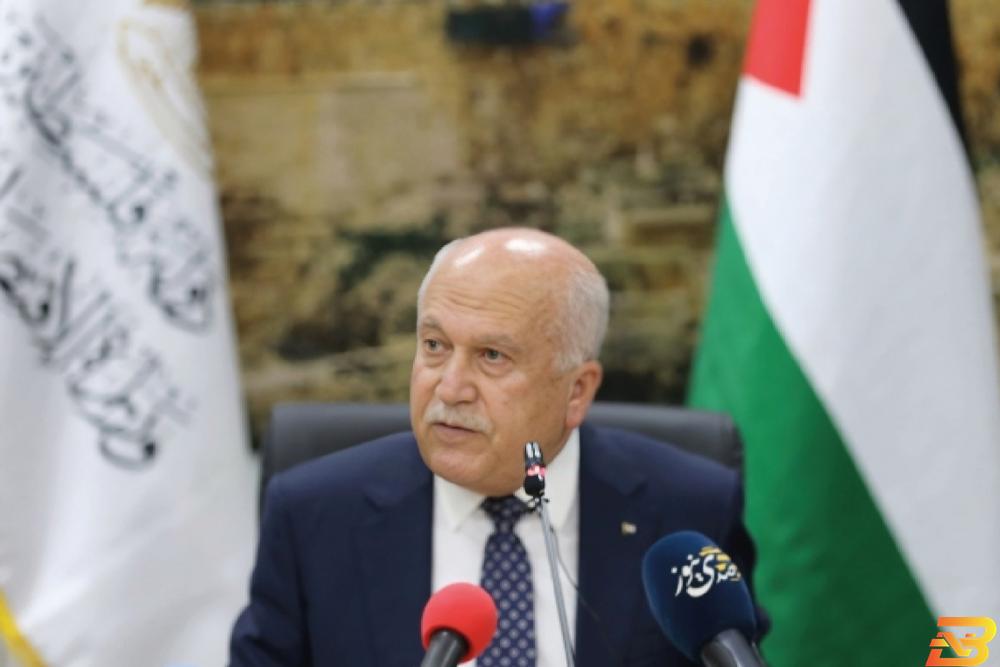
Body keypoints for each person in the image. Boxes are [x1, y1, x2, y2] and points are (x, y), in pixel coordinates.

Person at [229, 227, 765, 666]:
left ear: (577, 391)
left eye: (492, 356)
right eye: (434, 345)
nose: (450, 389)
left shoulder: (689, 511)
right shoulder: (313, 516)